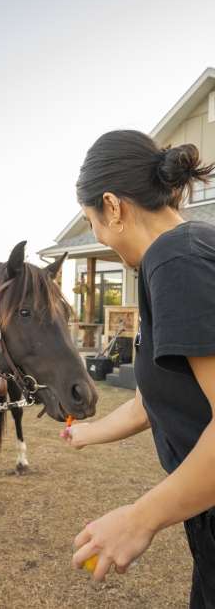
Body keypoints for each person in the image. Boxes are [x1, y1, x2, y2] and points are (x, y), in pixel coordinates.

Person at [59, 130, 215, 608]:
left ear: (112, 206)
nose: (99, 237)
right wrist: (86, 433)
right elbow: (153, 402)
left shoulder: (177, 261)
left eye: (93, 223)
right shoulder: (174, 257)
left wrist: (139, 518)